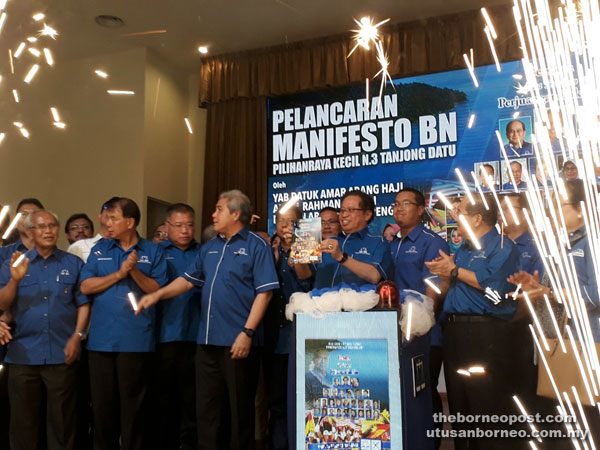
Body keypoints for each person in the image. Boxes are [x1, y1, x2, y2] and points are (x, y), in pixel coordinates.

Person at [136, 190, 279, 450]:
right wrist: (157, 295)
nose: (213, 214)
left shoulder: (257, 246)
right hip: (206, 342)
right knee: (207, 412)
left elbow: (265, 293)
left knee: (238, 414)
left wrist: (247, 333)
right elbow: (187, 281)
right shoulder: (210, 248)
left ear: (236, 214)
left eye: (219, 209)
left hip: (238, 343)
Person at [425, 194, 520, 450]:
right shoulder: (464, 249)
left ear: (477, 218)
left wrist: (454, 271)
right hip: (455, 332)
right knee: (459, 405)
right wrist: (444, 276)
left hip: (484, 334)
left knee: (485, 405)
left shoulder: (502, 246)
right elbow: (453, 287)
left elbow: (494, 288)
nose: (454, 214)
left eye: (460, 210)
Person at [80, 197, 168, 450]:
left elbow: (157, 290)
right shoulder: (100, 250)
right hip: (100, 342)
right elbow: (86, 286)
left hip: (136, 341)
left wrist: (134, 271)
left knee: (134, 411)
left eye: (113, 218)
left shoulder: (153, 251)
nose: (107, 223)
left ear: (129, 222)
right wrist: (119, 273)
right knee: (102, 410)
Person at [0, 210, 90, 450]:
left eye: (52, 225)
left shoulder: (73, 263)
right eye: (41, 227)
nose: (48, 231)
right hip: (22, 354)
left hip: (62, 354)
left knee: (62, 425)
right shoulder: (16, 263)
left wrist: (77, 336)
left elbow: (83, 303)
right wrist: (15, 280)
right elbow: (3, 304)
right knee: (23, 426)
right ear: (30, 232)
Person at [390, 187, 449, 450]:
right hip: (394, 330)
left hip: (424, 333)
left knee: (424, 391)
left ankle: (432, 443)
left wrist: (419, 323)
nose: (399, 208)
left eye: (405, 203)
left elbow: (435, 289)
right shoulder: (392, 243)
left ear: (420, 209)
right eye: (395, 204)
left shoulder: (431, 241)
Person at [264, 204, 312, 450]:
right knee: (277, 400)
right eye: (282, 221)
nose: (286, 226)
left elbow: (305, 277)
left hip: (302, 331)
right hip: (274, 334)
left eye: (291, 221)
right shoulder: (267, 249)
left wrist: (295, 249)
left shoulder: (308, 244)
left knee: (304, 397)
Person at [154, 203, 201, 450]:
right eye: (179, 225)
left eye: (190, 225)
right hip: (165, 335)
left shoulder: (204, 252)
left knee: (191, 399)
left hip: (196, 335)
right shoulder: (157, 252)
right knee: (164, 400)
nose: (185, 230)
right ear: (167, 227)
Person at [313, 190, 393, 289]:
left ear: (367, 215)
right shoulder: (329, 242)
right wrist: (297, 257)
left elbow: (374, 276)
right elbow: (305, 275)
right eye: (342, 210)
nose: (344, 215)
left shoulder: (378, 242)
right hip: (322, 303)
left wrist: (341, 256)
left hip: (361, 303)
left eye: (350, 210)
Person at [68, 197, 119, 263]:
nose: (111, 213)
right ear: (100, 217)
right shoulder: (78, 246)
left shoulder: (129, 247)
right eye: (107, 208)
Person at [0, 198, 44, 262]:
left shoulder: (57, 255)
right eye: (24, 214)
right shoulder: (3, 254)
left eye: (34, 214)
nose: (28, 219)